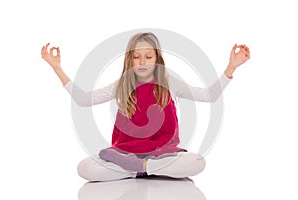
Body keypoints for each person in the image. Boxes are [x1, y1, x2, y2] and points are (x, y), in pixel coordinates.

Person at [41, 32, 250, 181]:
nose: (142, 62)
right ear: (129, 60)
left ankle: (141, 169)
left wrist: (231, 67)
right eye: (136, 57)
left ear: (157, 58)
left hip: (163, 153)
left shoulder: (169, 82)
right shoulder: (121, 84)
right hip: (126, 153)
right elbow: (84, 99)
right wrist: (57, 68)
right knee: (84, 168)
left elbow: (208, 96)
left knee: (197, 162)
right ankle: (144, 169)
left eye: (148, 57)